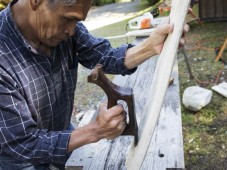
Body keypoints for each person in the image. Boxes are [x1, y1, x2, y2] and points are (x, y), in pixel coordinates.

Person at [0, 0, 189, 169]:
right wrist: (94, 130)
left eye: (78, 21)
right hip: (20, 161)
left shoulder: (65, 26)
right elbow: (20, 145)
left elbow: (104, 57)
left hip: (62, 134)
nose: (72, 31)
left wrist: (150, 46)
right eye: (68, 19)